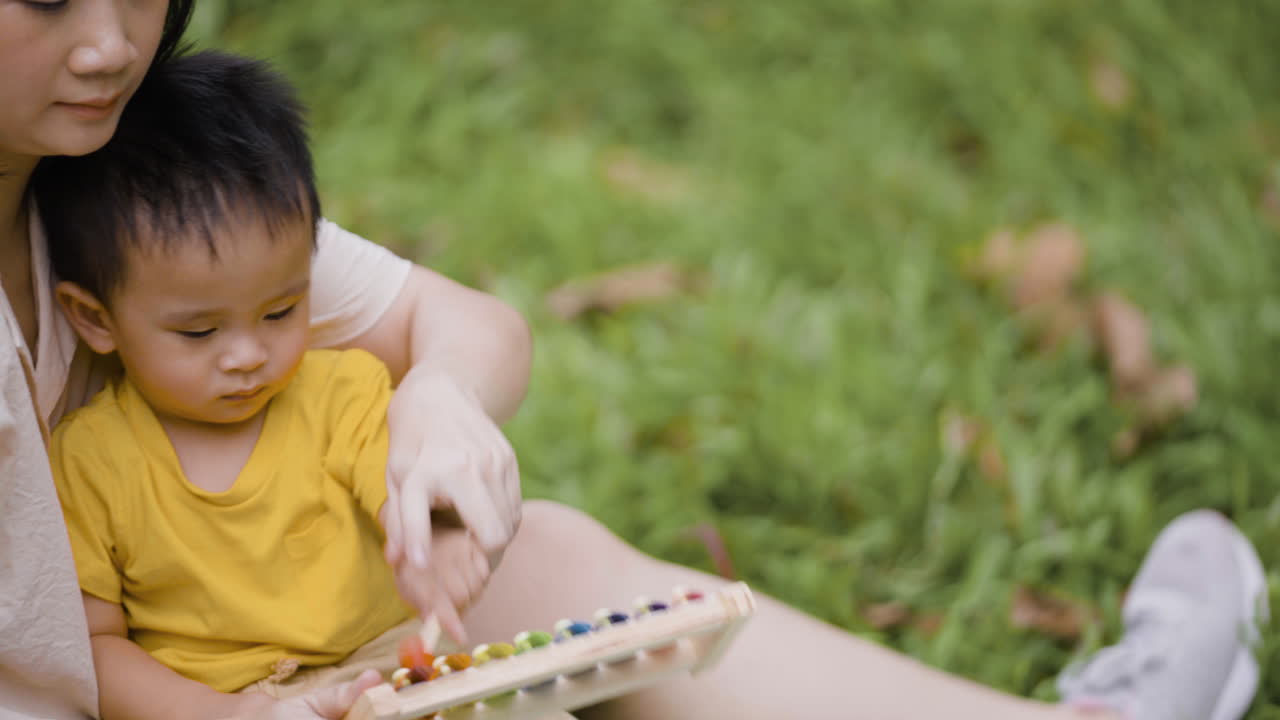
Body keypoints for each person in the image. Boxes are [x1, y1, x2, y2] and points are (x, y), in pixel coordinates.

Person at [0, 3, 1266, 720]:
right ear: (98, 316)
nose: (114, 42)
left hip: (321, 675)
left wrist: (436, 407)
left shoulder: (125, 183)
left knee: (540, 560)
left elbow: (467, 328)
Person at [34, 49, 491, 720]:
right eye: (198, 332)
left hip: (387, 672)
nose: (247, 355)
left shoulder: (344, 394)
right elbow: (96, 649)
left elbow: (408, 496)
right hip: (214, 706)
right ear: (95, 319)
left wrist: (440, 543)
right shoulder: (89, 463)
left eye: (281, 312)